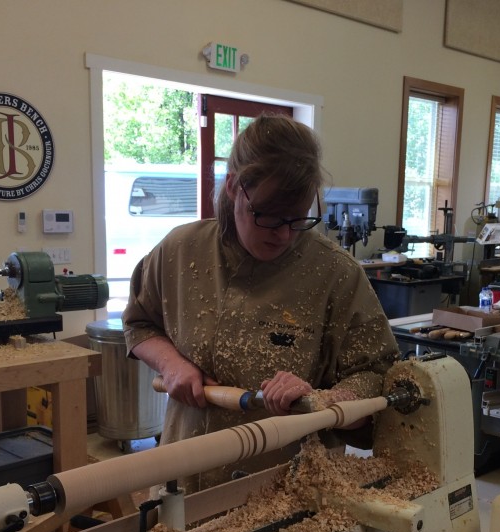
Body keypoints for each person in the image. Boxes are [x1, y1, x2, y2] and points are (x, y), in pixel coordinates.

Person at [122, 113, 400, 492]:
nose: (285, 235)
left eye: (299, 218)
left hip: (286, 489)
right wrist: (171, 366)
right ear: (235, 187)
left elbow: (378, 377)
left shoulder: (335, 273)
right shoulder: (180, 251)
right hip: (182, 474)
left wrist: (324, 400)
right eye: (268, 217)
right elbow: (139, 324)